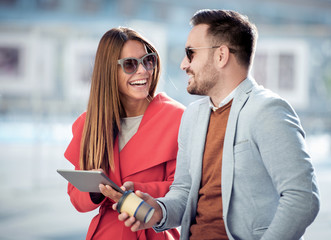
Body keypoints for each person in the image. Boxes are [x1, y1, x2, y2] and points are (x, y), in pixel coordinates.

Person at [114, 9, 320, 240]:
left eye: (190, 53)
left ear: (221, 55)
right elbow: (183, 192)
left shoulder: (268, 110)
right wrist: (159, 211)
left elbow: (303, 199)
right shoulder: (192, 116)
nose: (183, 64)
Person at [64, 27, 184, 240]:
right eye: (130, 64)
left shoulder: (177, 118)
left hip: (155, 232)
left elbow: (183, 189)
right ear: (109, 71)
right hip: (106, 233)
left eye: (148, 60)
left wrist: (132, 191)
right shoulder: (90, 124)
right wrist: (97, 189)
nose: (143, 71)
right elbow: (76, 199)